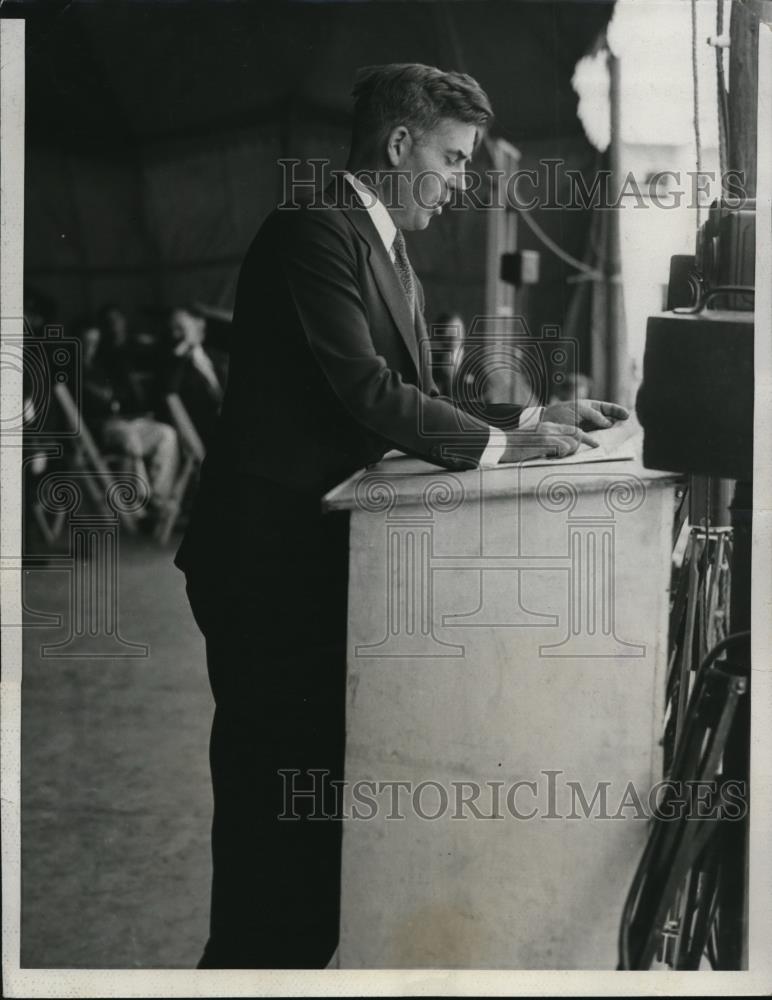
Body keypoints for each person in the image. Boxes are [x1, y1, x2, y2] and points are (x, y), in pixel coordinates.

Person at [175, 62, 628, 970]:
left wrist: (536, 418)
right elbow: (368, 392)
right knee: (274, 829)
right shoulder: (314, 232)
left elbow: (413, 397)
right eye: (453, 160)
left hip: (310, 570)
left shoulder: (384, 251)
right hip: (265, 572)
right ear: (397, 145)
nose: (460, 185)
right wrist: (509, 449)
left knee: (309, 834)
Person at [77, 317, 179, 521]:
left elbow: (123, 395)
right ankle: (141, 502)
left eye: (95, 343)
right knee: (130, 436)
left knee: (166, 434)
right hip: (101, 426)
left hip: (125, 420)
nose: (91, 348)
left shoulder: (105, 364)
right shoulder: (71, 370)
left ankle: (158, 500)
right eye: (86, 342)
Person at [161, 305, 229, 448]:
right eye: (173, 329)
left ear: (200, 324)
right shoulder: (174, 363)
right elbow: (170, 391)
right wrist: (183, 347)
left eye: (180, 328)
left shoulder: (218, 357)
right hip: (206, 427)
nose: (175, 334)